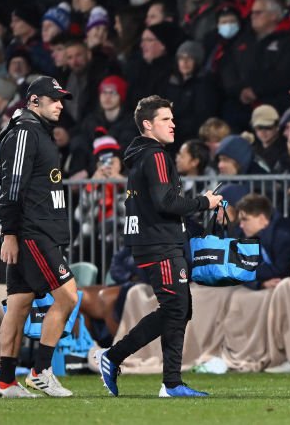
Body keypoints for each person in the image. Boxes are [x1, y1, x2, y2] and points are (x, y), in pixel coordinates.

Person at [96, 95, 222, 398]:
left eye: (172, 118)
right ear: (148, 124)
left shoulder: (140, 155)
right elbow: (166, 202)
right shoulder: (155, 156)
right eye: (165, 119)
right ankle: (117, 358)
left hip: (151, 242)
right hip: (159, 243)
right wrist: (205, 201)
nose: (173, 124)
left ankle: (171, 382)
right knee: (176, 308)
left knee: (179, 309)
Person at [0, 76, 77, 398]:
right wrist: (10, 233)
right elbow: (12, 187)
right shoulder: (26, 133)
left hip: (33, 229)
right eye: (53, 99)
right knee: (67, 296)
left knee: (19, 304)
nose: (59, 104)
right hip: (32, 232)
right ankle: (41, 371)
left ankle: (5, 382)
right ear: (33, 101)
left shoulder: (35, 132)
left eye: (61, 99)